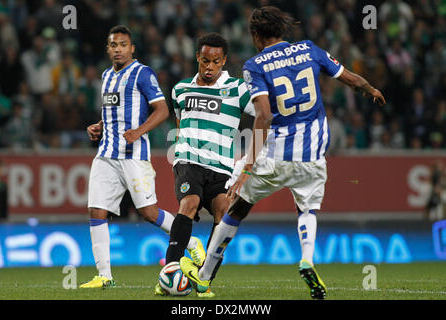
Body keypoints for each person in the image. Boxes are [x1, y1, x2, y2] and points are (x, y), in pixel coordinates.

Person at [181, 6, 386, 300]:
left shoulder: (255, 65)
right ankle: (306, 259)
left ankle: (204, 277)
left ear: (255, 35)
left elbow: (263, 116)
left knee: (237, 209)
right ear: (281, 29)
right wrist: (370, 89)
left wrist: (248, 165)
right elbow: (350, 78)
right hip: (313, 153)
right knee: (307, 209)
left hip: (275, 154)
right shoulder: (310, 50)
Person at [79, 25, 205, 289]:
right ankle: (105, 276)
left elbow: (161, 110)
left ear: (132, 47)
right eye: (114, 45)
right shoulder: (105, 76)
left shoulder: (142, 73)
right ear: (108, 48)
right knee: (96, 210)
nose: (118, 49)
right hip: (106, 155)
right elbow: (112, 111)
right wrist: (99, 126)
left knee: (148, 212)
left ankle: (192, 242)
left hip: (134, 155)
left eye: (123, 44)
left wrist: (139, 131)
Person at [161, 32, 255, 297]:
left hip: (222, 166)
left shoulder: (238, 90)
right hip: (188, 160)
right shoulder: (180, 89)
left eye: (215, 61)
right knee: (188, 204)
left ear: (224, 60)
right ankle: (168, 275)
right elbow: (179, 123)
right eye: (205, 61)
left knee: (224, 212)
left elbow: (263, 115)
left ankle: (205, 279)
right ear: (197, 58)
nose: (209, 67)